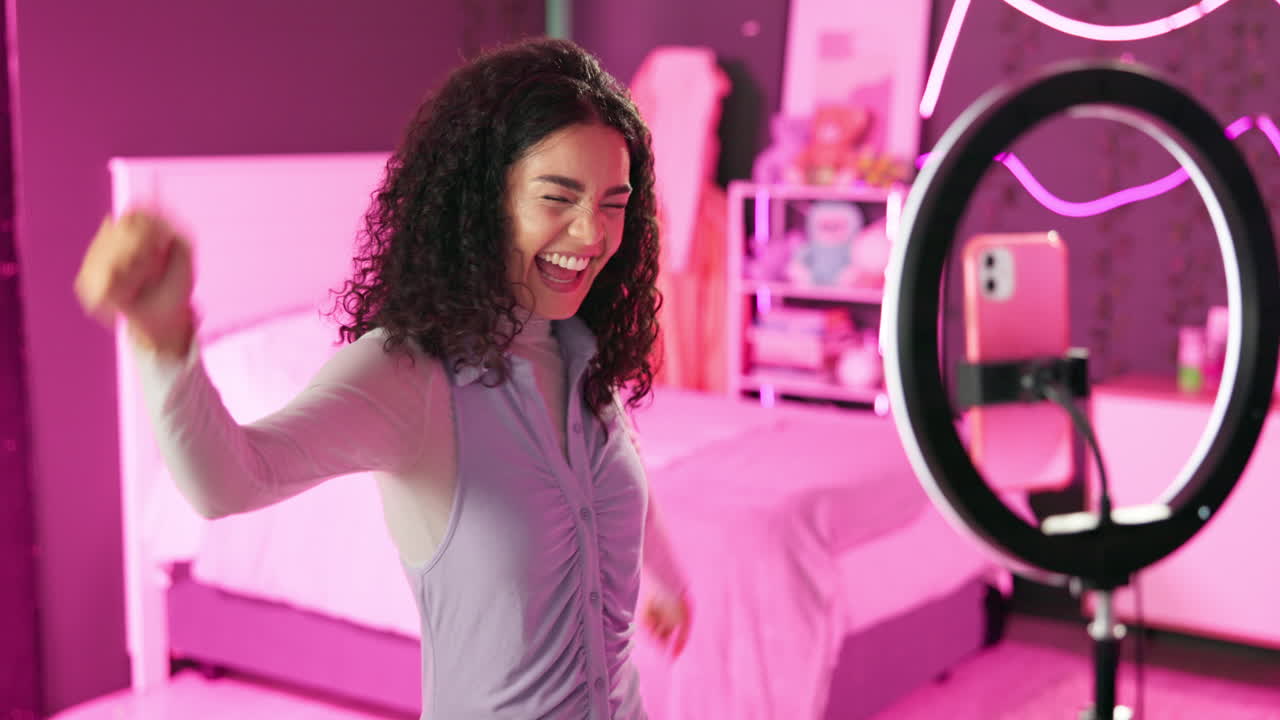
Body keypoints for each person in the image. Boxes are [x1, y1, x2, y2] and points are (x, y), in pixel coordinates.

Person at [74, 36, 691, 719]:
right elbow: (231, 480)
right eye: (559, 197)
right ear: (482, 200)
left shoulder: (583, 353)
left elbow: (615, 476)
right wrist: (165, 342)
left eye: (613, 202)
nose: (592, 234)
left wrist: (662, 579)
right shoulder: (409, 374)